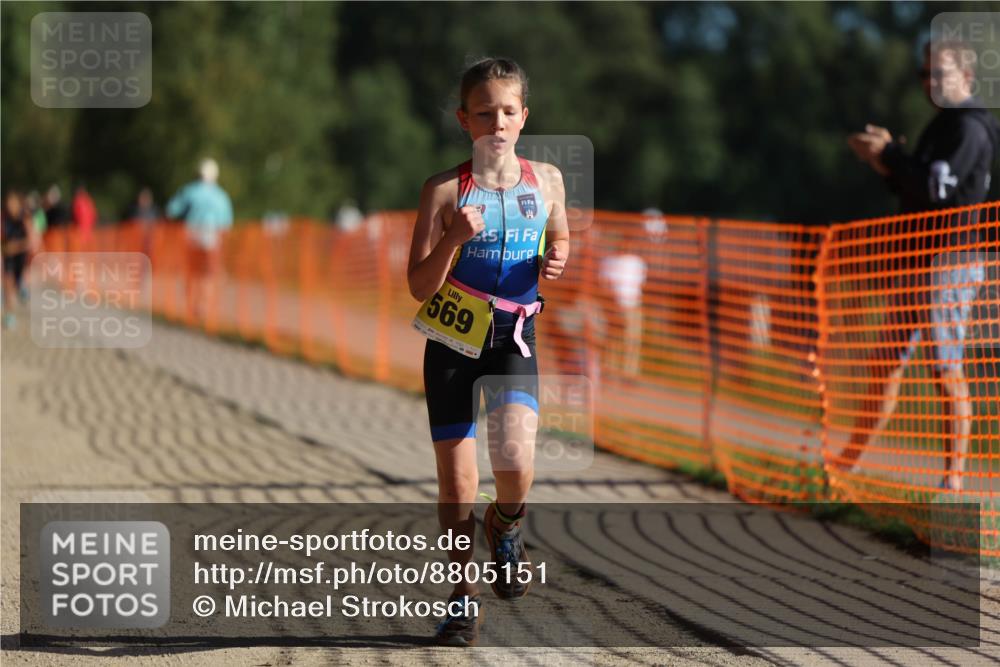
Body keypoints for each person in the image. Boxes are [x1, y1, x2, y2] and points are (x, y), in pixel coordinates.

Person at [407, 57, 568, 646]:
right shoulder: (444, 190)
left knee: (517, 464)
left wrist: (559, 257)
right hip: (452, 345)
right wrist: (454, 237)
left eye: (507, 111)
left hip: (512, 340)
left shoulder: (547, 180)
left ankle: (505, 525)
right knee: (456, 484)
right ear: (463, 119)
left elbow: (562, 234)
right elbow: (419, 286)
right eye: (483, 112)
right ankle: (461, 599)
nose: (496, 122)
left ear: (524, 116)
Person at [840, 40, 1000, 491]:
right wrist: (884, 162)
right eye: (924, 74)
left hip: (951, 262)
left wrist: (890, 154)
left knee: (944, 368)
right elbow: (917, 191)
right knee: (885, 363)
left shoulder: (969, 126)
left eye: (940, 74)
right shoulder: (944, 123)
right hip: (918, 259)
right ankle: (847, 463)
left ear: (967, 79)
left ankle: (953, 481)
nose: (930, 83)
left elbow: (937, 190)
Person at [166, 158, 234, 325]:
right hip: (212, 241)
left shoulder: (190, 191)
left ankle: (192, 304)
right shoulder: (222, 196)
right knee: (208, 274)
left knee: (191, 272)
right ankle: (202, 306)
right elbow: (226, 224)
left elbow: (171, 210)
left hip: (191, 238)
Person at [2, 190, 34, 329]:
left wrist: (15, 247)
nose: (10, 206)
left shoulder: (24, 217)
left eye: (13, 203)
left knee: (15, 285)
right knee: (7, 285)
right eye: (8, 203)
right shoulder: (4, 217)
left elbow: (31, 240)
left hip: (21, 257)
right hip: (8, 256)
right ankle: (9, 316)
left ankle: (22, 287)